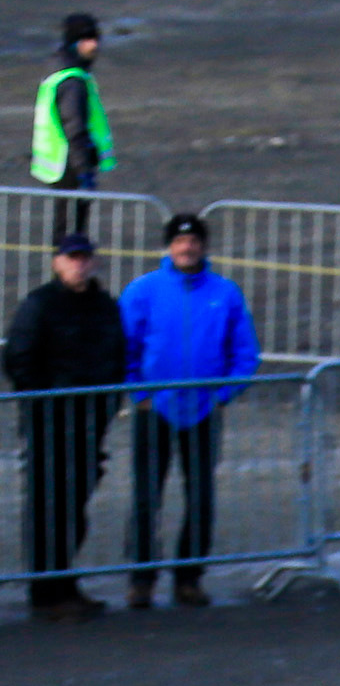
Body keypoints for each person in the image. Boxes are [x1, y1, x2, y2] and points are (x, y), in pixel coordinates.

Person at [120, 212, 258, 609]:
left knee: (200, 496)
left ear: (203, 246)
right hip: (154, 409)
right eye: (180, 241)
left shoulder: (225, 293)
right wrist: (138, 394)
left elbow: (244, 353)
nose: (187, 248)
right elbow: (125, 348)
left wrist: (223, 395)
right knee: (146, 497)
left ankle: (189, 578)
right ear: (169, 246)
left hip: (203, 410)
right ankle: (142, 579)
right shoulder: (143, 290)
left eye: (194, 241)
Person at [4, 231, 123, 621]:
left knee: (74, 508)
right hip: (49, 424)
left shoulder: (104, 306)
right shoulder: (39, 304)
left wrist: (107, 404)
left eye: (84, 257)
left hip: (89, 422)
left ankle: (65, 582)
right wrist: (43, 403)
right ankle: (46, 591)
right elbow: (19, 358)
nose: (79, 264)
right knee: (47, 508)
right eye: (72, 258)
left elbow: (117, 357)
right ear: (58, 262)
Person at [30, 13, 112, 237]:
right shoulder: (72, 80)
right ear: (73, 42)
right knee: (70, 235)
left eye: (96, 38)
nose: (94, 45)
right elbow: (75, 129)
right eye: (87, 39)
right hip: (70, 167)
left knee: (64, 230)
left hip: (63, 165)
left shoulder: (60, 72)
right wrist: (84, 173)